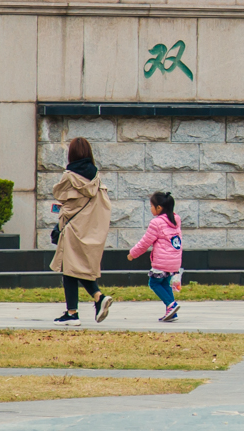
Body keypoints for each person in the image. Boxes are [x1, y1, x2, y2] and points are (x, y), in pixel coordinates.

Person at [50, 136, 114, 324]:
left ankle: (73, 313)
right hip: (87, 229)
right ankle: (98, 298)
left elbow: (59, 195)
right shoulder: (96, 178)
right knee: (77, 268)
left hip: (72, 228)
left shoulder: (69, 177)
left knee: (69, 269)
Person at [127, 190, 184, 323]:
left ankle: (171, 305)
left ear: (159, 208)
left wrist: (132, 254)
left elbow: (145, 242)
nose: (151, 209)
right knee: (164, 283)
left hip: (162, 261)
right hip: (174, 261)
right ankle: (171, 313)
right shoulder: (176, 219)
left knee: (153, 283)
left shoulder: (156, 223)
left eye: (152, 206)